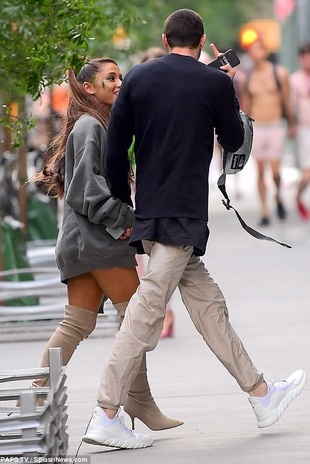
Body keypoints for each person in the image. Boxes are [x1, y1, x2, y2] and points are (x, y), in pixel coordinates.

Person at [81, 10, 306, 450]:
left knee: (207, 304)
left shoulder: (139, 80)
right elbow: (235, 140)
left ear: (165, 39)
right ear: (202, 41)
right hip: (182, 212)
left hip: (150, 210)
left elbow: (115, 152)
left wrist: (125, 208)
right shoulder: (215, 82)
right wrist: (226, 88)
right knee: (146, 312)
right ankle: (106, 412)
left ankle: (261, 394)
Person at [31, 57, 183, 442]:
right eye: (109, 78)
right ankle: (138, 401)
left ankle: (34, 396)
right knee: (138, 319)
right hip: (98, 242)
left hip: (82, 242)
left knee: (77, 323)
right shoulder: (90, 127)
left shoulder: (94, 125)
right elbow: (86, 193)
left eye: (120, 77)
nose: (118, 83)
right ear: (87, 88)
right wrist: (127, 218)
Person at [240, 36, 296, 226]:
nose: (255, 54)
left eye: (258, 49)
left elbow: (286, 101)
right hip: (258, 127)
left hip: (274, 125)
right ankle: (265, 210)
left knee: (275, 171)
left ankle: (278, 196)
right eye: (252, 50)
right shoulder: (249, 78)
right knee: (260, 170)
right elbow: (246, 106)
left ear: (265, 52)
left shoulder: (279, 73)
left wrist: (292, 123)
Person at [290, 42, 310, 219]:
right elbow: (291, 106)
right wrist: (292, 125)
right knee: (307, 173)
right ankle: (298, 196)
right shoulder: (295, 80)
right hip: (306, 129)